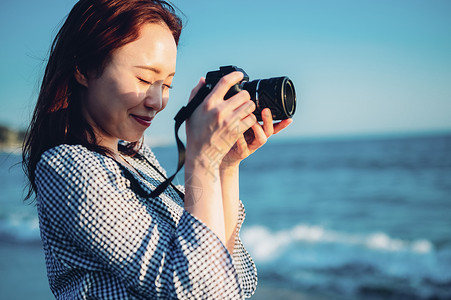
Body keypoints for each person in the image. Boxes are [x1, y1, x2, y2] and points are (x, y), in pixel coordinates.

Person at [22, 0, 292, 299]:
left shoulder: (138, 159)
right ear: (83, 68)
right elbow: (207, 293)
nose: (157, 101)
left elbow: (228, 277)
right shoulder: (68, 168)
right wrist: (201, 159)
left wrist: (224, 165)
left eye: (166, 85)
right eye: (144, 79)